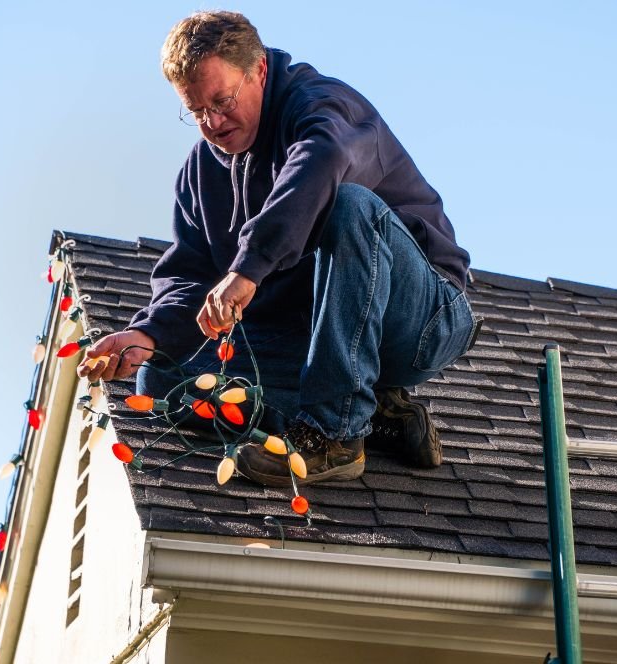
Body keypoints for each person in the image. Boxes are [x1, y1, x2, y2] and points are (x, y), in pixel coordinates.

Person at [79, 10, 477, 487]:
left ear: (259, 71)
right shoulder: (199, 173)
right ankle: (372, 415)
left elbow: (321, 161)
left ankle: (335, 435)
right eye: (196, 110)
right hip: (318, 337)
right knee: (163, 382)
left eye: (222, 101)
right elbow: (190, 275)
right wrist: (149, 335)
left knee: (349, 205)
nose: (213, 122)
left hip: (422, 317)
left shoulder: (322, 107)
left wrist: (249, 266)